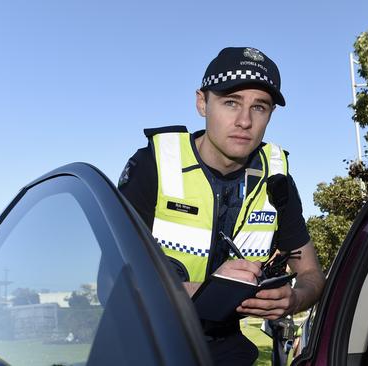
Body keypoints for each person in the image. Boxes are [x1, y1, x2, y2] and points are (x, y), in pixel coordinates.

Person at [118, 46, 325, 365]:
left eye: (260, 107)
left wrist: (293, 299)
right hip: (145, 343)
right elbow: (114, 283)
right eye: (231, 102)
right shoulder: (155, 164)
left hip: (224, 348)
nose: (245, 121)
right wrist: (207, 292)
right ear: (202, 102)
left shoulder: (277, 179)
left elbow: (311, 273)